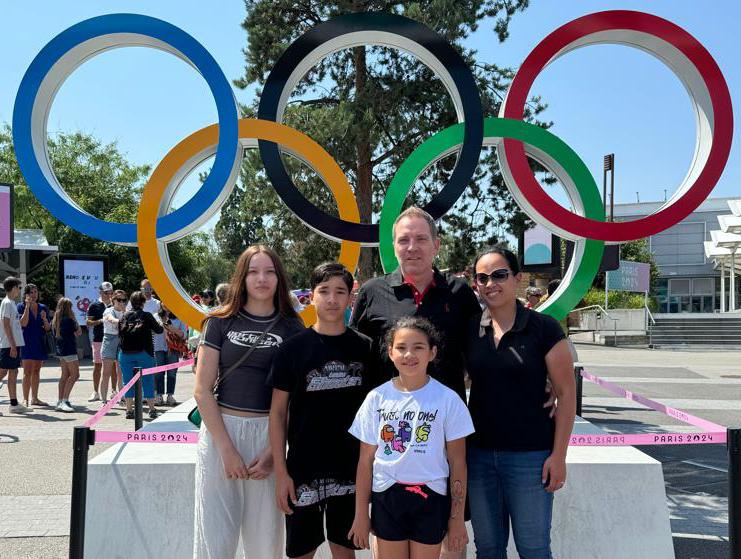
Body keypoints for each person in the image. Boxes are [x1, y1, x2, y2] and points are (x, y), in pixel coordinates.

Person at [193, 245, 304, 559]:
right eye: (253, 271)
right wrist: (226, 449)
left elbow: (296, 397)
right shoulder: (218, 322)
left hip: (268, 434)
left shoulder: (293, 326)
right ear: (242, 277)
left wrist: (273, 451)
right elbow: (202, 390)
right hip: (220, 434)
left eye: (269, 271)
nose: (262, 279)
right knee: (215, 540)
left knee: (265, 542)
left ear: (279, 278)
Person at [465, 246, 576, 559]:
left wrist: (559, 456)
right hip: (479, 457)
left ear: (517, 279)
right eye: (482, 277)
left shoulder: (544, 329)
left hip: (531, 458)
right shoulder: (471, 329)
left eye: (499, 274)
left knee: (534, 550)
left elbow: (567, 394)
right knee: (487, 549)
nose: (490, 283)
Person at [268, 262, 375, 559]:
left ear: (350, 298)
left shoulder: (365, 348)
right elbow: (277, 414)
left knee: (344, 548)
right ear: (311, 296)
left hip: (350, 467)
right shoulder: (291, 349)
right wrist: (281, 473)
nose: (332, 299)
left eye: (340, 291)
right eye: (324, 291)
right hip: (302, 467)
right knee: (303, 550)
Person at [348, 316, 474, 559]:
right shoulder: (376, 398)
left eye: (418, 347)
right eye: (401, 348)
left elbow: (458, 463)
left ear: (432, 352)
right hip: (387, 497)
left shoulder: (448, 400)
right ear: (390, 352)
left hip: (431, 498)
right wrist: (361, 513)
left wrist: (456, 518)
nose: (409, 355)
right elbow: (365, 462)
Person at [350, 207, 481, 404]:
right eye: (404, 240)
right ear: (394, 246)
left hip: (446, 422)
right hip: (388, 422)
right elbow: (353, 357)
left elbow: (483, 353)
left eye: (421, 239)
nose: (412, 247)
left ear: (436, 245)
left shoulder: (460, 292)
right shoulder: (371, 293)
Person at [118, 291, 168, 420]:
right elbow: (159, 330)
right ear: (143, 302)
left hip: (125, 353)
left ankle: (129, 411)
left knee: (127, 382)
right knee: (148, 381)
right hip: (144, 353)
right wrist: (163, 322)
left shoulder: (124, 316)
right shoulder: (147, 316)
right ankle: (151, 410)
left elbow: (119, 333)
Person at [18, 283, 51, 408]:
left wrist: (44, 319)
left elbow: (48, 328)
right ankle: (25, 399)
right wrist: (27, 307)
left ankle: (35, 398)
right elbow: (23, 324)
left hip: (39, 342)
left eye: (35, 292)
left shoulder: (43, 307)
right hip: (26, 341)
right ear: (26, 294)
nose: (34, 295)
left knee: (37, 371)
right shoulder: (20, 306)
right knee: (27, 371)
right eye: (31, 292)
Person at [0, 276, 27, 414]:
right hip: (8, 344)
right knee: (3, 372)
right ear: (14, 288)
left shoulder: (11, 303)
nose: (20, 290)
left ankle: (14, 404)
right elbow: (5, 324)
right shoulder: (7, 303)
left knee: (13, 372)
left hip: (12, 344)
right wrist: (12, 345)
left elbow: (17, 324)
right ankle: (14, 404)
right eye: (19, 287)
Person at [153, 301, 187, 406]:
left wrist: (173, 329)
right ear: (161, 303)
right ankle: (158, 395)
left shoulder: (179, 317)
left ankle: (170, 395)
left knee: (172, 372)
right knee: (158, 372)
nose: (166, 304)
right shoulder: (155, 316)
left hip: (173, 348)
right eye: (164, 301)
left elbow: (184, 335)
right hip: (158, 347)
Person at [52, 297, 81, 412]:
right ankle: (65, 400)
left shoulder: (56, 320)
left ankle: (60, 401)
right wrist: (74, 318)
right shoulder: (69, 320)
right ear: (69, 308)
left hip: (61, 351)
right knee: (75, 375)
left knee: (64, 375)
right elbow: (78, 332)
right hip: (70, 350)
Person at [86, 281, 113, 402]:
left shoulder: (115, 304)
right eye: (106, 292)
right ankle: (95, 392)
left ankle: (114, 391)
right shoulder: (94, 305)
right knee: (97, 365)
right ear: (101, 292)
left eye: (111, 292)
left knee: (113, 366)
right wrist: (100, 321)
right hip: (98, 339)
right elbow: (88, 323)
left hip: (113, 338)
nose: (109, 294)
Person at [100, 290, 126, 406]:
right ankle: (104, 400)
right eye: (119, 300)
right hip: (110, 340)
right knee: (106, 372)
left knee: (121, 373)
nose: (121, 302)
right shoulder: (108, 311)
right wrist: (123, 321)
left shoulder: (126, 312)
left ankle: (122, 398)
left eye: (123, 300)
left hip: (122, 341)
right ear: (113, 300)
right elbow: (111, 319)